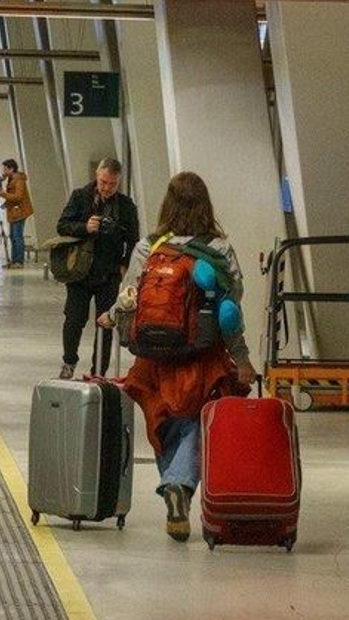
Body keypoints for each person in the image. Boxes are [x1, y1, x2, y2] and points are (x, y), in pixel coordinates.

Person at [99, 172, 255, 541]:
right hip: (201, 354)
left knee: (163, 421)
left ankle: (174, 485)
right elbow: (230, 309)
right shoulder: (218, 248)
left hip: (153, 356)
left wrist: (111, 316)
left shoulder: (148, 247)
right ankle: (179, 487)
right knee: (196, 423)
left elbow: (129, 298)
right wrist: (242, 358)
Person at [57, 158, 140, 379]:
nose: (106, 188)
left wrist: (125, 265)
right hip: (79, 272)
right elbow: (62, 225)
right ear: (97, 175)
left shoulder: (126, 206)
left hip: (109, 273)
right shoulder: (80, 196)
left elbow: (134, 241)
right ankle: (69, 362)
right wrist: (85, 227)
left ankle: (98, 372)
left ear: (119, 182)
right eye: (103, 182)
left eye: (112, 184)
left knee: (105, 324)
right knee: (74, 319)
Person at [0, 158, 33, 268]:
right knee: (13, 236)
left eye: (5, 169)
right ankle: (14, 260)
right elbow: (12, 195)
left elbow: (18, 196)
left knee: (17, 236)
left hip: (20, 211)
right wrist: (6, 203)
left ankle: (19, 261)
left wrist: (2, 194)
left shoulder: (19, 180)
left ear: (11, 169)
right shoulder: (11, 179)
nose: (3, 171)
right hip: (14, 211)